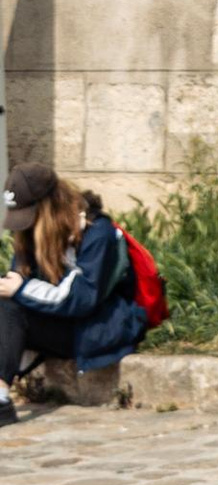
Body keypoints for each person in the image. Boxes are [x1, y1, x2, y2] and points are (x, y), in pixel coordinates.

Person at [0, 164, 148, 425]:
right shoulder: (31, 232)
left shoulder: (97, 232)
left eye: (29, 215)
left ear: (49, 206)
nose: (24, 226)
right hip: (56, 321)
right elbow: (20, 282)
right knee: (6, 303)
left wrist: (22, 287)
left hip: (94, 328)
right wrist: (15, 287)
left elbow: (82, 299)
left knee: (12, 306)